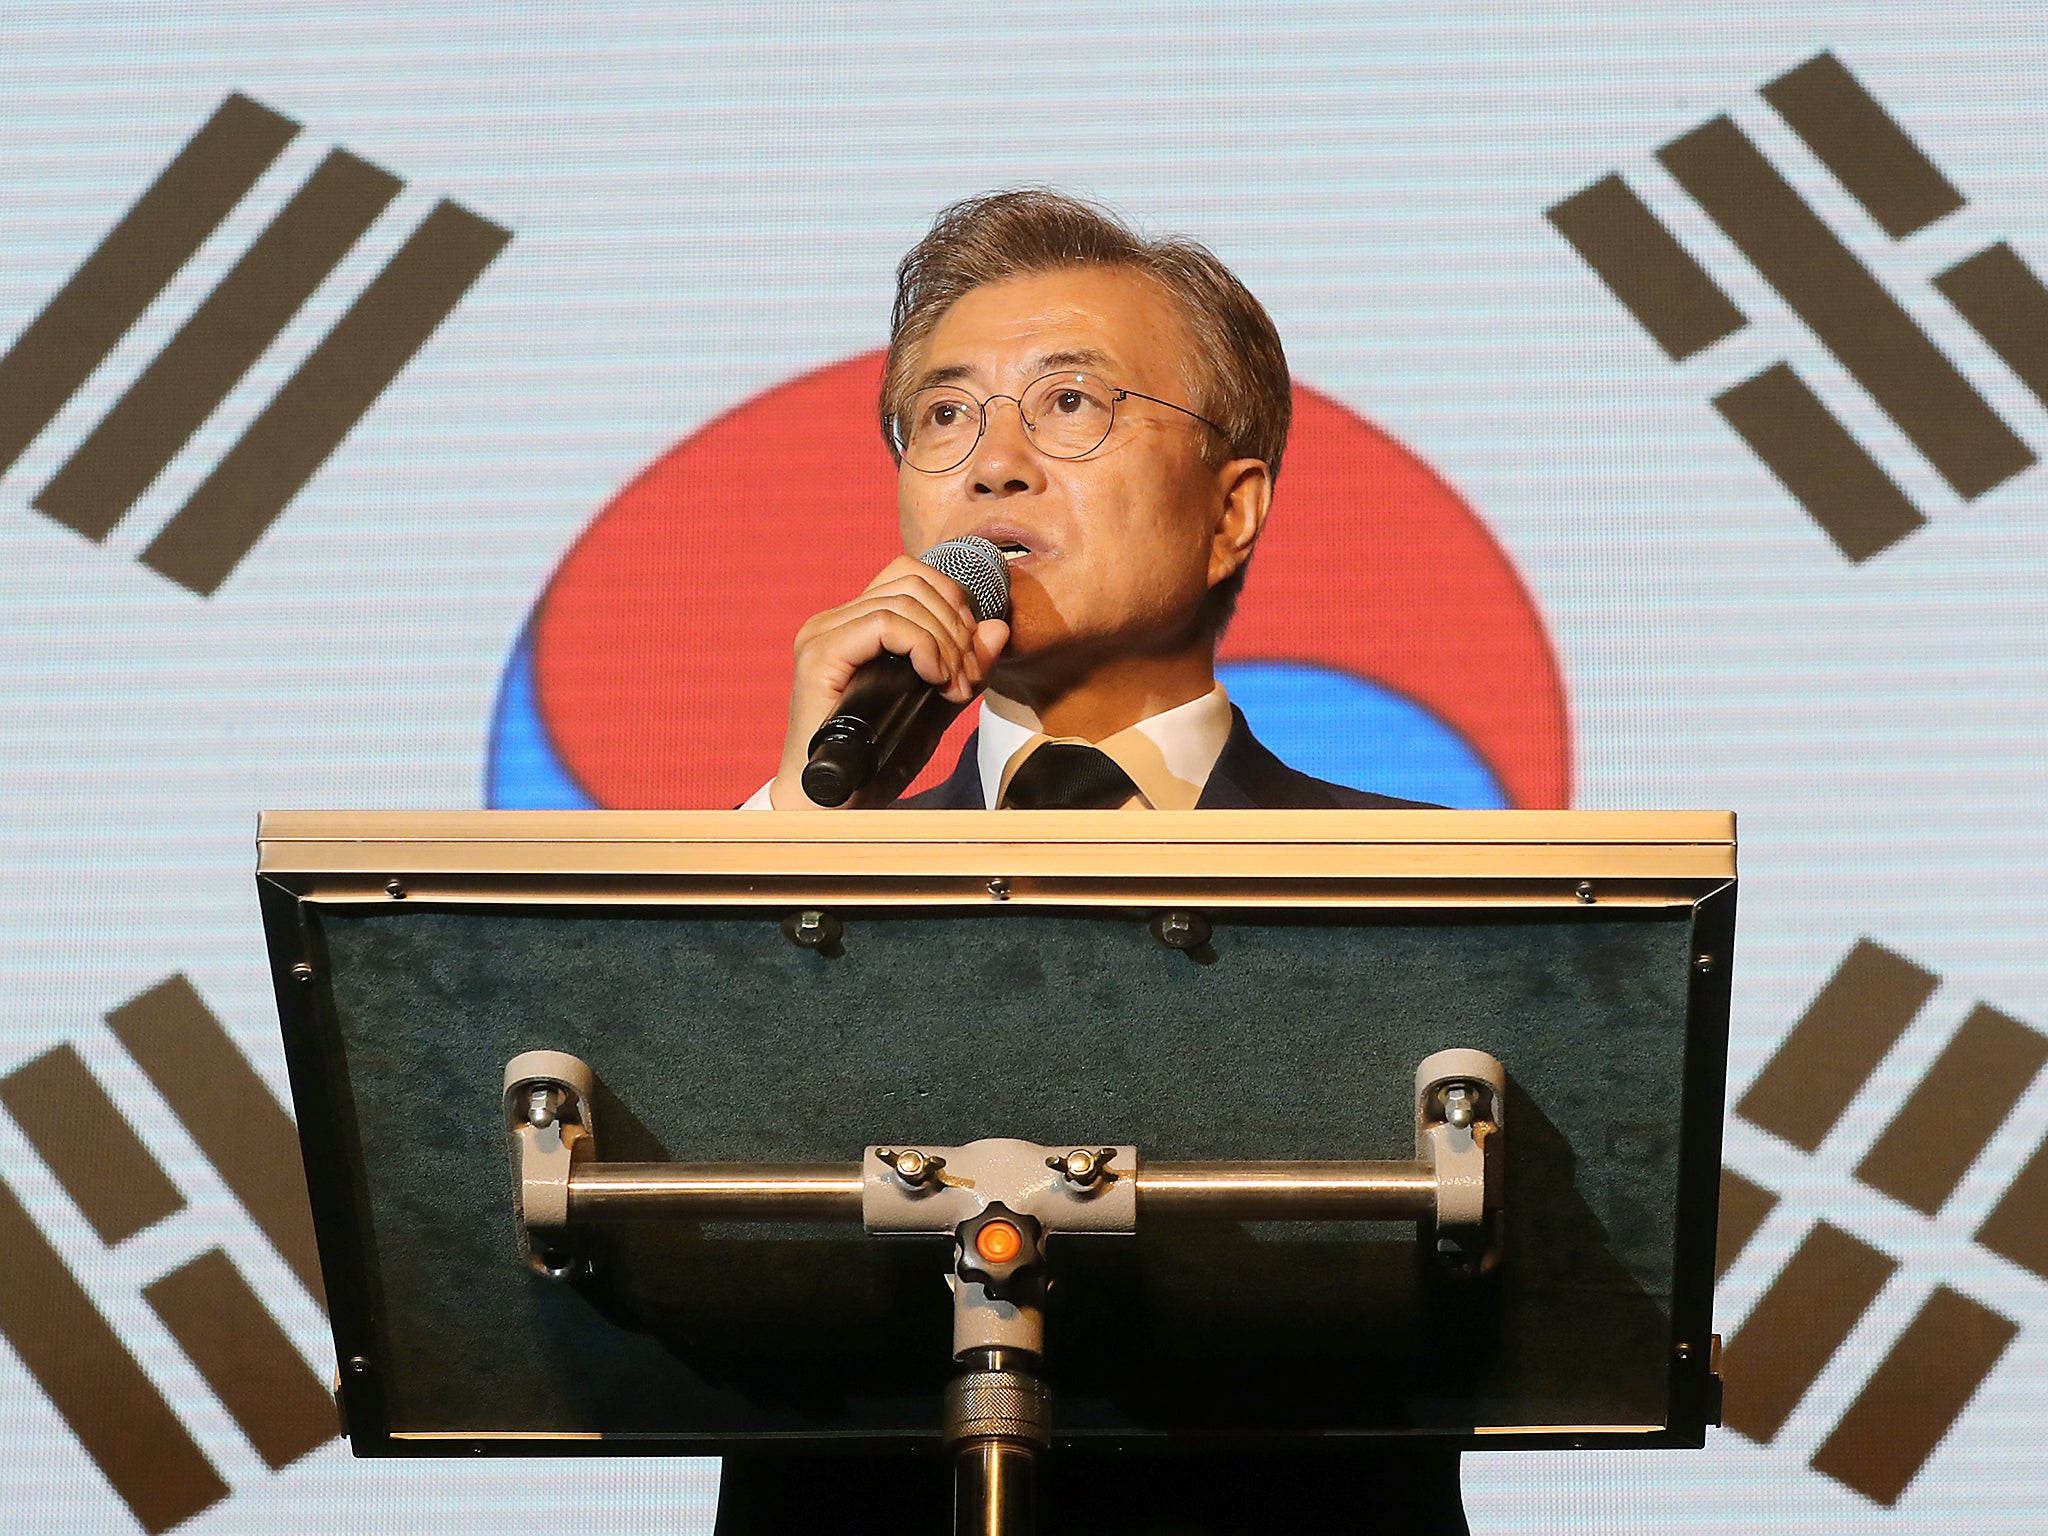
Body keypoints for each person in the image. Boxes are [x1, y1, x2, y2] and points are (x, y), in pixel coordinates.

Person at [725, 189, 1465, 1533]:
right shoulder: (804, 862)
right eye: (944, 415)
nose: (992, 465)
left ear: (1231, 512)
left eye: (1071, 405)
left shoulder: (1421, 889)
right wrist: (802, 821)